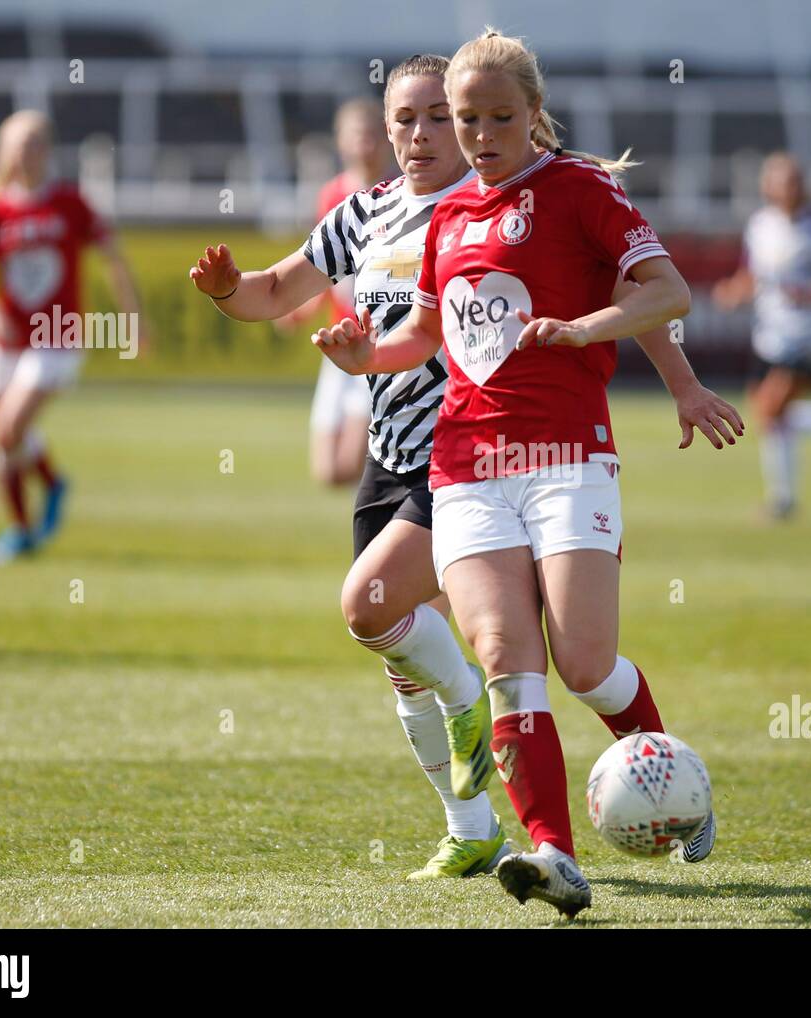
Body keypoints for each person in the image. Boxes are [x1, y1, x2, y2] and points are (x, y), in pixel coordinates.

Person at [195, 54, 740, 887]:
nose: (443, 134)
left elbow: (649, 293)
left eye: (457, 118)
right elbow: (398, 326)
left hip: (556, 457)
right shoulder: (401, 217)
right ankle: (539, 849)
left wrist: (656, 369)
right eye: (415, 119)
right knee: (487, 658)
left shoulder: (571, 188)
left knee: (579, 664)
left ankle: (660, 783)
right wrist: (357, 355)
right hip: (450, 463)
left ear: (525, 112)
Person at [0, 110, 144, 562]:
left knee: (8, 428)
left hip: (57, 334)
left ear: (49, 149)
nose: (26, 151)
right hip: (5, 342)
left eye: (35, 141)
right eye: (18, 142)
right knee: (3, 441)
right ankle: (24, 524)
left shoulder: (70, 202)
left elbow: (113, 257)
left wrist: (133, 319)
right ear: (3, 151)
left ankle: (45, 495)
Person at [713, 151, 811, 520]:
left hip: (809, 335)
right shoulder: (760, 225)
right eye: (782, 180)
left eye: (795, 181)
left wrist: (810, 294)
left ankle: (782, 501)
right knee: (766, 416)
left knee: (772, 410)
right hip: (771, 333)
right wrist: (734, 291)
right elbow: (752, 275)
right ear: (768, 186)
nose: (789, 188)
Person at [283, 98, 392, 485]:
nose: (366, 144)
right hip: (336, 340)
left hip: (379, 346)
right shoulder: (332, 196)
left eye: (374, 135)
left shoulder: (399, 195)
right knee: (327, 473)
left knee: (350, 466)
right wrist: (298, 307)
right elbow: (326, 271)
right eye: (357, 134)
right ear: (341, 141)